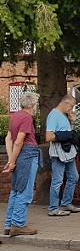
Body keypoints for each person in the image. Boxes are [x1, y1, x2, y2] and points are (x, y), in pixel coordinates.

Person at [3, 92, 41, 236]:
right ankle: (18, 224)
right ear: (32, 105)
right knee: (25, 191)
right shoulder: (26, 117)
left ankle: (8, 224)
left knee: (16, 190)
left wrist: (11, 159)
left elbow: (8, 139)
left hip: (19, 155)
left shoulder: (15, 116)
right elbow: (19, 141)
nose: (36, 106)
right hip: (28, 156)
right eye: (36, 104)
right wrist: (12, 161)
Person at [45, 94, 80, 216]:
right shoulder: (54, 115)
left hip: (67, 151)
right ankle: (53, 208)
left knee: (73, 177)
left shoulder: (62, 116)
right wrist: (65, 136)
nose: (72, 108)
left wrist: (72, 123)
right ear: (66, 103)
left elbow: (68, 132)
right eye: (71, 106)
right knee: (57, 180)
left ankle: (66, 203)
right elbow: (49, 136)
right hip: (59, 152)